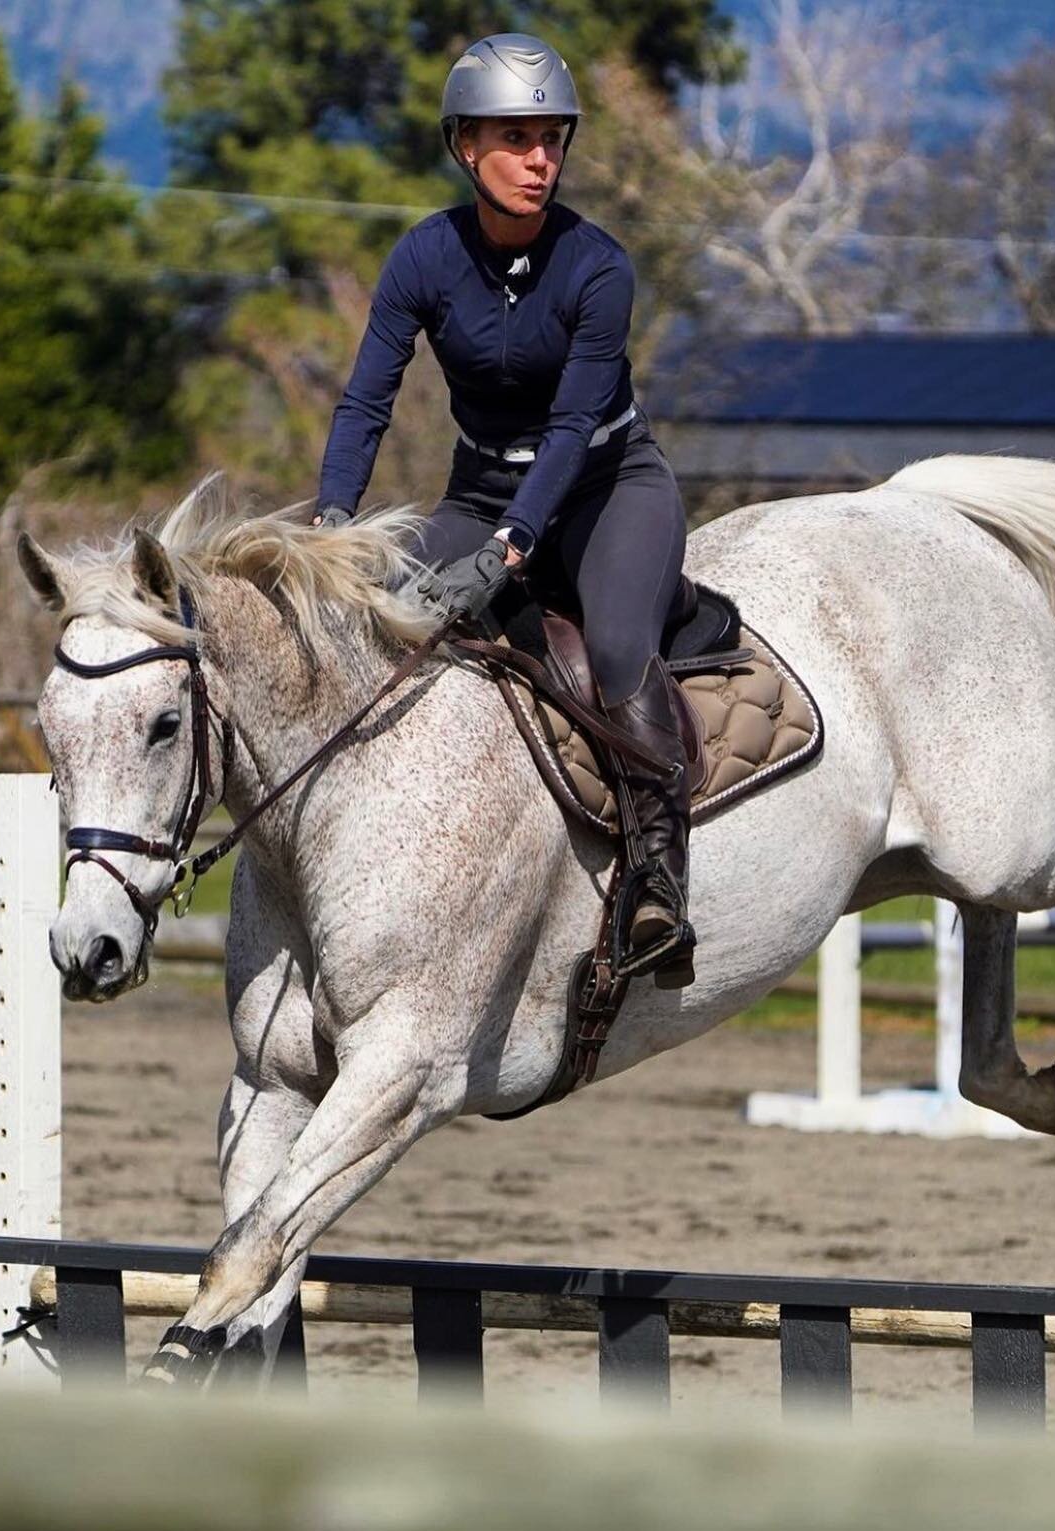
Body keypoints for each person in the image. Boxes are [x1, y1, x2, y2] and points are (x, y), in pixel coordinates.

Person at [313, 32, 695, 982]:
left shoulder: (600, 267)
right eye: (517, 138)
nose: (541, 161)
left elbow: (571, 428)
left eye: (553, 139)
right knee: (373, 622)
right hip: (479, 489)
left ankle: (659, 884)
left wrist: (516, 544)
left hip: (609, 488)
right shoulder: (422, 256)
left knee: (613, 650)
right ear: (463, 146)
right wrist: (329, 525)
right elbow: (368, 399)